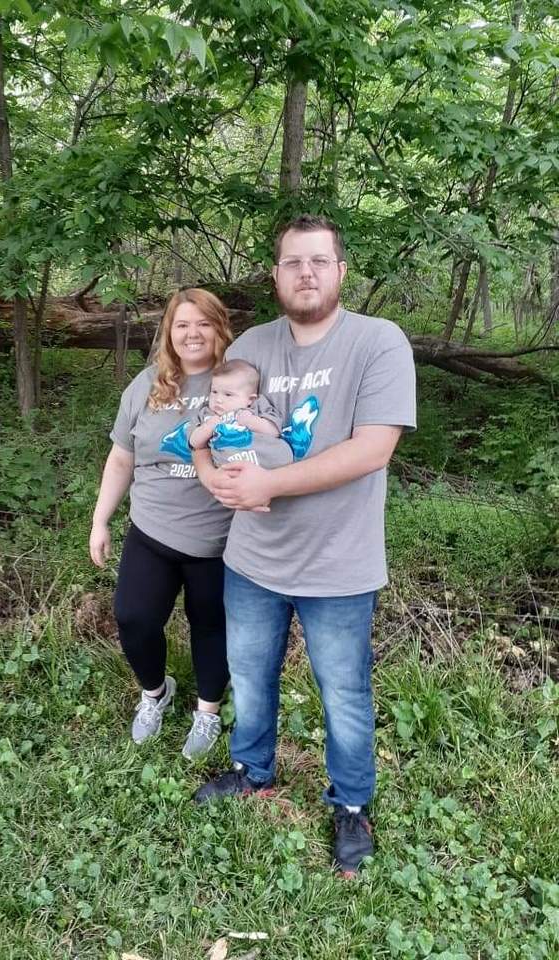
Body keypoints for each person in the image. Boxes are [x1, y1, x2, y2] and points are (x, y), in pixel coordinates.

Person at [192, 214, 417, 878]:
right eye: (293, 262)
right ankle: (251, 770)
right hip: (254, 561)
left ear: (342, 271)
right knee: (251, 679)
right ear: (276, 275)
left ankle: (350, 806)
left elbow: (373, 448)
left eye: (320, 261)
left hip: (340, 565)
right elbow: (205, 429)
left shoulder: (378, 342)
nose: (307, 273)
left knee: (344, 692)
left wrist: (268, 483)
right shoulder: (254, 346)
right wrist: (219, 483)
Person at [89, 288, 234, 760]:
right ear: (168, 333)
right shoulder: (147, 385)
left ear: (219, 327)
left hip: (218, 539)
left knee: (210, 626)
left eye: (202, 323)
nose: (192, 334)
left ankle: (208, 712)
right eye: (181, 325)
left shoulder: (237, 381)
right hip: (151, 530)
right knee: (133, 618)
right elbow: (120, 458)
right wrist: (100, 519)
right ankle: (156, 692)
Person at [188, 358, 293, 478]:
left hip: (265, 460)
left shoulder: (256, 406)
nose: (218, 399)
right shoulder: (207, 414)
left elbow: (274, 431)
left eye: (228, 394)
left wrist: (252, 421)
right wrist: (207, 427)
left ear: (250, 399)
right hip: (231, 467)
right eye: (214, 392)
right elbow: (194, 443)